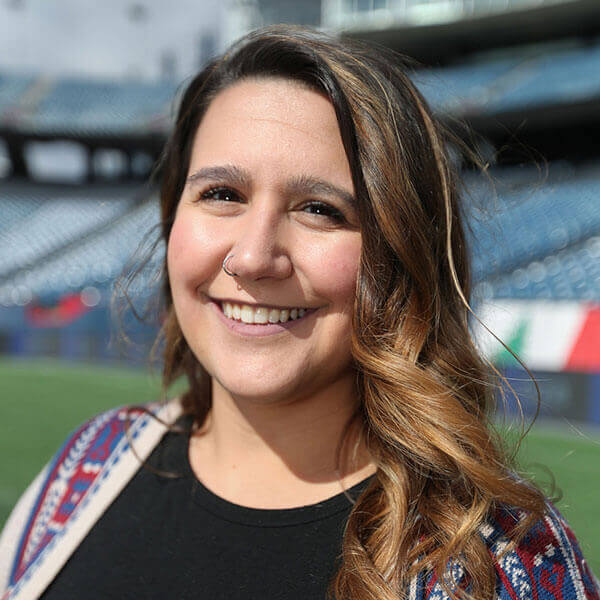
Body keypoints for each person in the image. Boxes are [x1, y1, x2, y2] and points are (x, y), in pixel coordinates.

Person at [1, 24, 598, 600]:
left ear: (403, 255)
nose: (254, 257)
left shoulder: (501, 560)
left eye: (319, 209)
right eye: (222, 194)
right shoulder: (91, 465)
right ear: (171, 219)